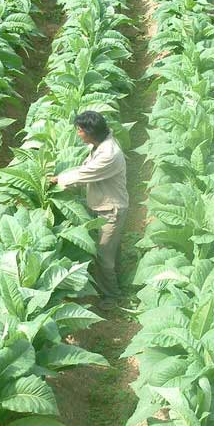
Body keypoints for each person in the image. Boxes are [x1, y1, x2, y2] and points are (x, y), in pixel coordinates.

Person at [51, 111, 129, 310]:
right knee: (110, 252)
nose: (77, 133)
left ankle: (112, 297)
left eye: (79, 130)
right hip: (102, 206)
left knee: (104, 255)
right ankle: (119, 282)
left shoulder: (109, 154)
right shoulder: (98, 146)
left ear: (90, 132)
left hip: (111, 210)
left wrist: (58, 180)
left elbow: (85, 173)